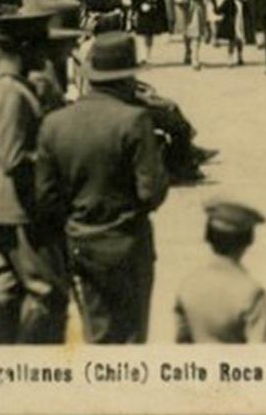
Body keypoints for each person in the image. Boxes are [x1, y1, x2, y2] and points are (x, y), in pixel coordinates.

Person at [36, 32, 170, 343]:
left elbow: (46, 197)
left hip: (81, 243)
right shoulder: (134, 120)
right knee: (131, 337)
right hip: (128, 244)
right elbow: (150, 193)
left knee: (96, 336)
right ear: (127, 77)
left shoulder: (55, 123)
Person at [0, 12, 69, 344]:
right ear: (25, 47)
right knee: (46, 292)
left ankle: (5, 354)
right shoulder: (12, 93)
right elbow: (13, 157)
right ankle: (29, 369)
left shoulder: (6, 87)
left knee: (7, 286)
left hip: (1, 203)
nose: (43, 54)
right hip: (19, 204)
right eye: (38, 46)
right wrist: (54, 160)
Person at [174, 196, 266, 344]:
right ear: (248, 241)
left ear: (208, 236)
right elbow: (264, 352)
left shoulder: (188, 286)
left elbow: (181, 344)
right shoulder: (251, 292)